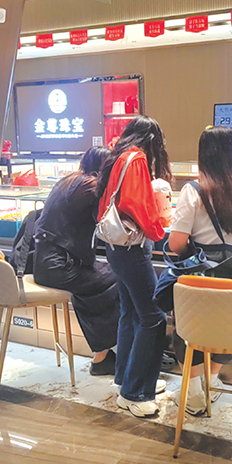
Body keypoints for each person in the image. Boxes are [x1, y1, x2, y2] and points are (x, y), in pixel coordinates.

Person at [168, 127, 232, 415]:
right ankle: (211, 381)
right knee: (228, 329)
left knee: (188, 329)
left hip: (201, 277)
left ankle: (195, 394)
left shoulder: (195, 191)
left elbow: (175, 244)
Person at [97, 115, 172, 418]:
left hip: (116, 248)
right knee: (153, 317)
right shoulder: (137, 159)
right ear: (152, 140)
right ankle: (135, 392)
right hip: (133, 249)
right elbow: (137, 205)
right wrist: (159, 229)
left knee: (130, 312)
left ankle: (126, 378)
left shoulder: (118, 157)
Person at [33, 147, 118, 375]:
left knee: (94, 284)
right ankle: (113, 353)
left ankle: (102, 355)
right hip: (61, 266)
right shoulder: (90, 185)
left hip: (47, 264)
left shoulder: (69, 181)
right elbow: (110, 212)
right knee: (119, 277)